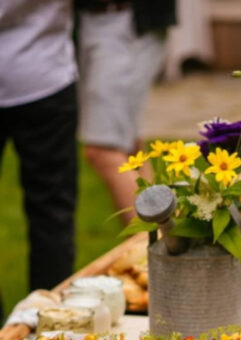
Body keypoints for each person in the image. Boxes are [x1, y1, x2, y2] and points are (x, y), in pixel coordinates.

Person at [0, 0, 78, 291]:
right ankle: (49, 322)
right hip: (46, 72)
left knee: (52, 215)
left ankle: (48, 321)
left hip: (44, 79)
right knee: (53, 215)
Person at [76, 0, 177, 223]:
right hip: (99, 21)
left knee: (103, 150)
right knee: (131, 149)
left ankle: (153, 250)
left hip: (125, 21)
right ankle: (167, 244)